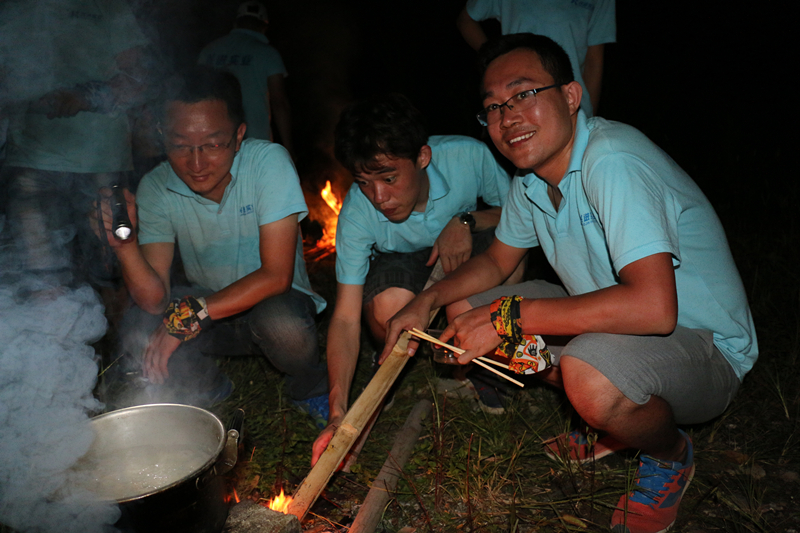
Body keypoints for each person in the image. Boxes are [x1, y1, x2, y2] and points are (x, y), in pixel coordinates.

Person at [382, 34, 757, 533]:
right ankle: (610, 421)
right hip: (619, 326)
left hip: (703, 347)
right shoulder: (531, 180)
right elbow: (495, 263)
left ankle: (669, 454)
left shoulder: (612, 161)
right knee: (467, 306)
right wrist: (425, 300)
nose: (507, 116)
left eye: (524, 94)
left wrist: (510, 317)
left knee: (582, 372)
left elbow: (654, 308)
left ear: (571, 96)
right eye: (492, 107)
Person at [95, 68, 329, 425]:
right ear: (162, 138)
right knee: (137, 327)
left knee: (285, 327)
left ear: (238, 136)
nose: (197, 162)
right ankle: (206, 385)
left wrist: (187, 317)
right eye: (180, 145)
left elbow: (276, 276)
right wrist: (123, 247)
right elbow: (155, 299)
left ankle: (310, 387)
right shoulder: (156, 187)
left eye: (213, 144)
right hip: (209, 312)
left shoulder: (267, 163)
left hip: (273, 303)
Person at [311, 93, 514, 464]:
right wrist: (338, 410)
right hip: (402, 257)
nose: (379, 197)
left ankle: (487, 362)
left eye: (389, 178)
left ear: (422, 157)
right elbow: (343, 317)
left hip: (466, 241)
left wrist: (467, 221)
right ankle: (388, 359)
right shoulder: (358, 213)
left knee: (501, 259)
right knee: (389, 309)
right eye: (364, 182)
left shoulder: (467, 156)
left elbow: (521, 211)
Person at [1, 0, 149, 289]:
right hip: (31, 162)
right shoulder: (14, 6)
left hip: (102, 163)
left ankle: (128, 335)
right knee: (40, 277)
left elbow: (140, 76)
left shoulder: (109, 7)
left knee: (113, 271)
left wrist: (87, 96)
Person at [456, 0, 615, 117]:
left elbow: (594, 60)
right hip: (517, 97)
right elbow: (466, 19)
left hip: (570, 102)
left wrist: (589, 115)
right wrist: (497, 58)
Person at [199, 0, 294, 158]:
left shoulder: (208, 52)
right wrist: (289, 147)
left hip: (211, 141)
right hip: (255, 145)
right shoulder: (268, 54)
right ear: (264, 26)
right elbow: (279, 102)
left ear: (236, 23)